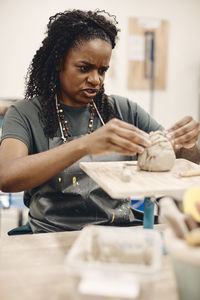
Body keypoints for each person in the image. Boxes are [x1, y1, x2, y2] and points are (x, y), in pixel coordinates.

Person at [0, 9, 199, 233]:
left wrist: (188, 144)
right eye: (84, 68)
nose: (96, 80)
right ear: (58, 62)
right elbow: (7, 177)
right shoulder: (25, 113)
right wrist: (85, 144)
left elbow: (191, 163)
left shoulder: (124, 110)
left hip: (119, 231)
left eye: (102, 70)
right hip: (53, 234)